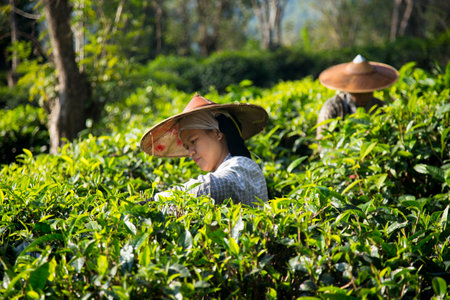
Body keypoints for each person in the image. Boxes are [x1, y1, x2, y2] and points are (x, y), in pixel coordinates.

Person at [139, 94, 269, 206]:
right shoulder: (225, 169)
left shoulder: (243, 165)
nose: (191, 152)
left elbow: (211, 187)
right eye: (187, 146)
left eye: (194, 141)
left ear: (217, 133)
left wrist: (155, 201)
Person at [316, 54, 399, 140]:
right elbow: (323, 141)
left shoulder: (379, 106)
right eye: (359, 93)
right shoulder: (333, 107)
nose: (363, 96)